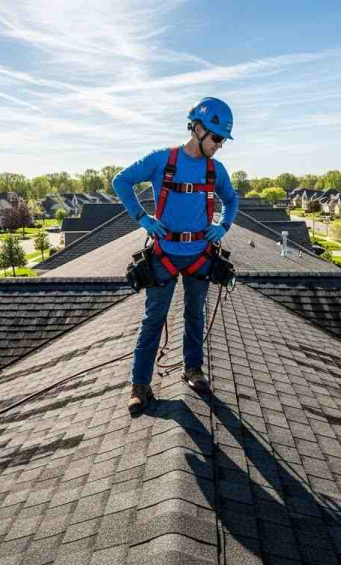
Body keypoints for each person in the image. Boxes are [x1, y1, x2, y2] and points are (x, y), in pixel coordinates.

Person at [113, 97, 240, 415]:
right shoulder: (162, 160)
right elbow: (121, 181)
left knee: (195, 315)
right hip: (165, 254)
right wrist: (142, 218)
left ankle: (193, 369)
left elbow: (232, 200)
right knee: (153, 320)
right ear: (198, 129)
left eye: (222, 140)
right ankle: (140, 386)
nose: (220, 145)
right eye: (217, 138)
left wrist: (223, 225)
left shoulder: (216, 169)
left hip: (199, 254)